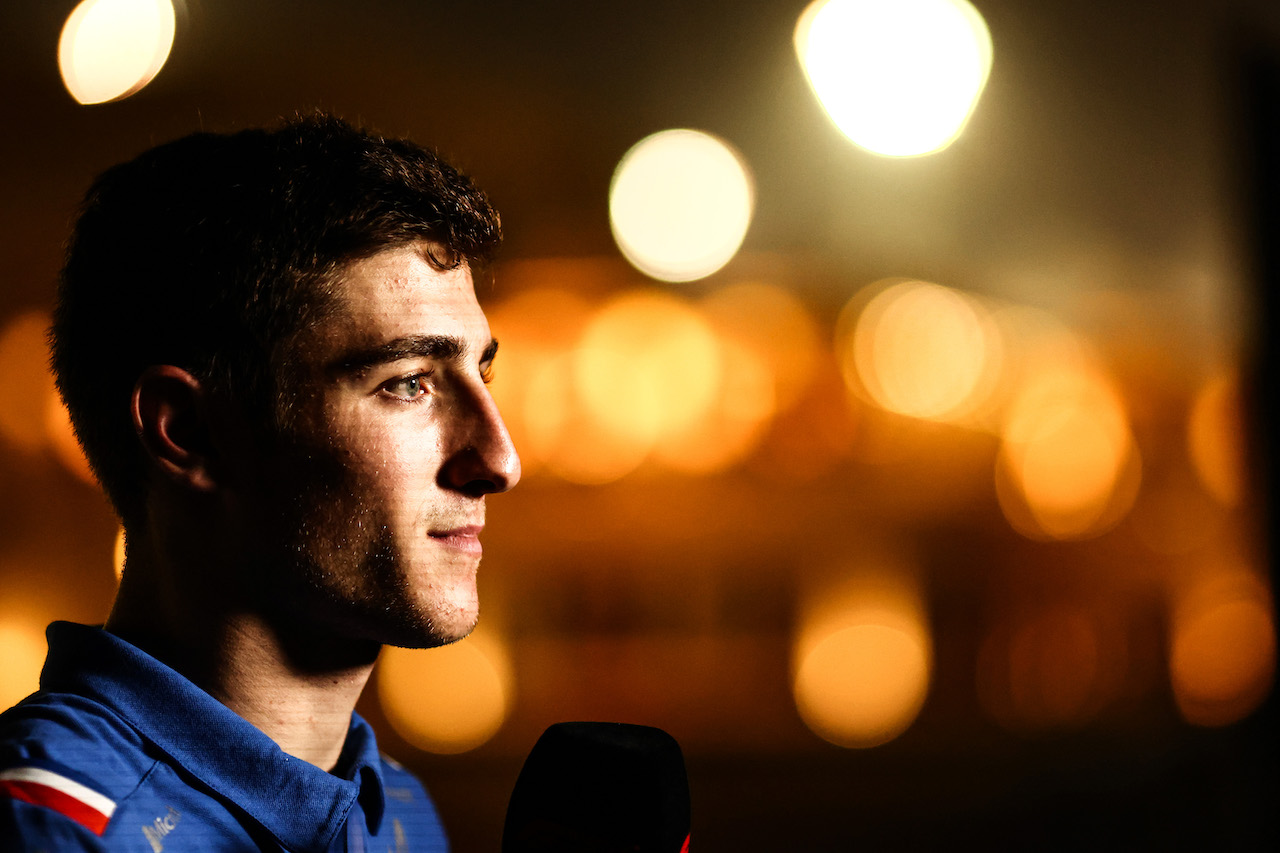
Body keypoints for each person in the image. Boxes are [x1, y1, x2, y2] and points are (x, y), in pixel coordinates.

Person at [0, 113, 521, 851]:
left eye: (481, 372)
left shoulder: (399, 814)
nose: (500, 459)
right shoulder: (54, 823)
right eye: (408, 383)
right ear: (189, 431)